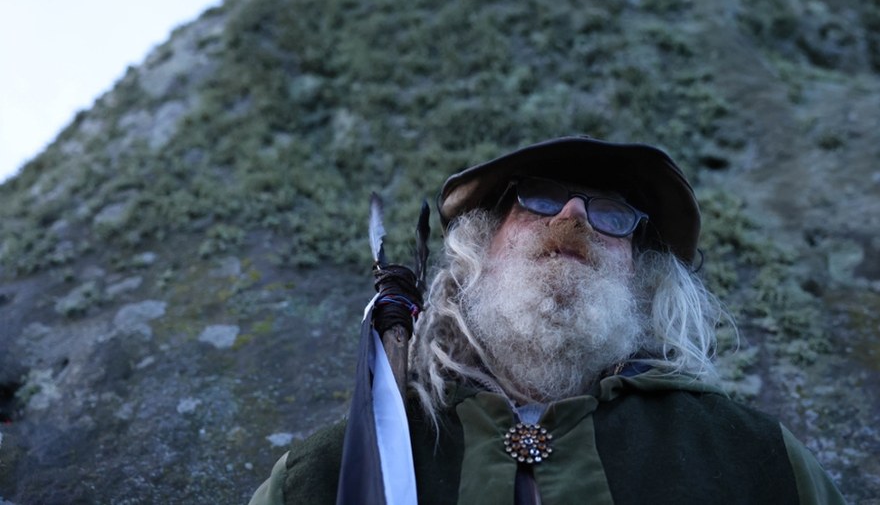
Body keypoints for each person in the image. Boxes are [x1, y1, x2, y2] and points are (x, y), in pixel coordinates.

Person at [249, 136, 846, 504]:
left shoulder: (755, 461)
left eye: (613, 214)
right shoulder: (321, 477)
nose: (574, 216)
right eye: (538, 196)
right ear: (482, 245)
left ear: (640, 276)